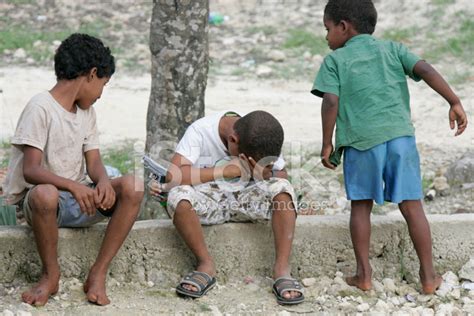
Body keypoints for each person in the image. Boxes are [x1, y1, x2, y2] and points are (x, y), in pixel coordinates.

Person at [311, 0, 468, 294]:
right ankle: (429, 277)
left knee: (361, 206)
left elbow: (330, 101)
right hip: (401, 140)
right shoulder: (394, 49)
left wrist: (326, 144)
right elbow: (426, 69)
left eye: (327, 28)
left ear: (343, 27)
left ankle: (364, 275)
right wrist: (454, 101)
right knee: (412, 205)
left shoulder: (334, 61)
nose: (326, 36)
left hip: (361, 143)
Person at [2, 33, 144, 306]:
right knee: (46, 194)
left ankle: (98, 272)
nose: (102, 94)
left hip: (80, 200)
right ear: (92, 74)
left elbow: (94, 162)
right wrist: (73, 186)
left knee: (132, 185)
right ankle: (50, 275)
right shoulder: (40, 107)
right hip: (44, 205)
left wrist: (102, 180)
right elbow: (31, 170)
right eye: (104, 85)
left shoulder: (86, 113)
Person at [149, 110, 305, 305]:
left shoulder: (262, 136)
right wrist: (226, 170)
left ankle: (282, 269)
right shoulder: (201, 131)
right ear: (233, 139)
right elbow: (174, 176)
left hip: (247, 203)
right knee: (178, 195)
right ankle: (205, 264)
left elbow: (281, 175)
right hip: (209, 202)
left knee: (283, 189)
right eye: (245, 160)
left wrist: (262, 174)